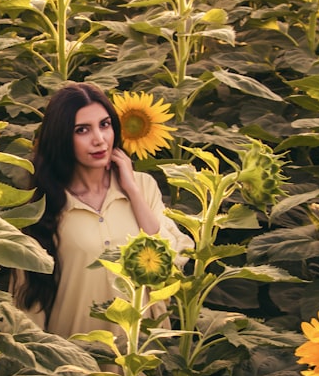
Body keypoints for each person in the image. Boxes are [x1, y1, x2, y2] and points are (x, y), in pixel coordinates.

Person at [12, 82, 193, 340]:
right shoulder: (43, 204)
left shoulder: (143, 187)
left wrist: (131, 189)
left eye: (105, 125)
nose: (99, 139)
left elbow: (171, 262)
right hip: (77, 358)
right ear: (62, 137)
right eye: (82, 130)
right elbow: (27, 304)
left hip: (141, 356)